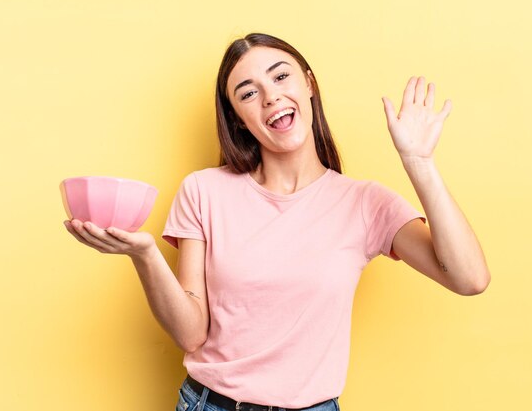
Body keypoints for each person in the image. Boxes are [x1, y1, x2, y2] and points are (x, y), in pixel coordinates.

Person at [64, 33, 490, 411]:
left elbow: (469, 278)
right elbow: (191, 334)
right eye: (248, 93)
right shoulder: (203, 191)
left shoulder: (364, 202)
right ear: (237, 118)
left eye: (281, 77)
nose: (270, 97)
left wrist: (418, 163)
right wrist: (144, 253)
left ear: (309, 83)